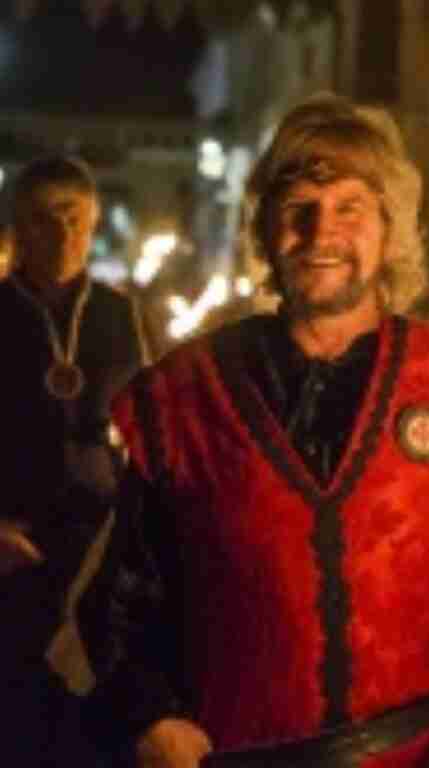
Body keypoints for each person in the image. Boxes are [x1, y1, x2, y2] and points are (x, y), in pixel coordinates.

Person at [82, 94, 429, 768]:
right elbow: (122, 602)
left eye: (349, 208)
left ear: (389, 229)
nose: (320, 234)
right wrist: (152, 717)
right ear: (267, 229)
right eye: (298, 209)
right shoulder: (182, 396)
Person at [0, 155, 147, 767]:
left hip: (97, 545)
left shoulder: (118, 314)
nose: (61, 235)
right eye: (43, 220)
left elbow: (146, 427)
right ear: (16, 228)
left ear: (91, 224)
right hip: (12, 547)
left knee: (90, 717)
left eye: (74, 218)